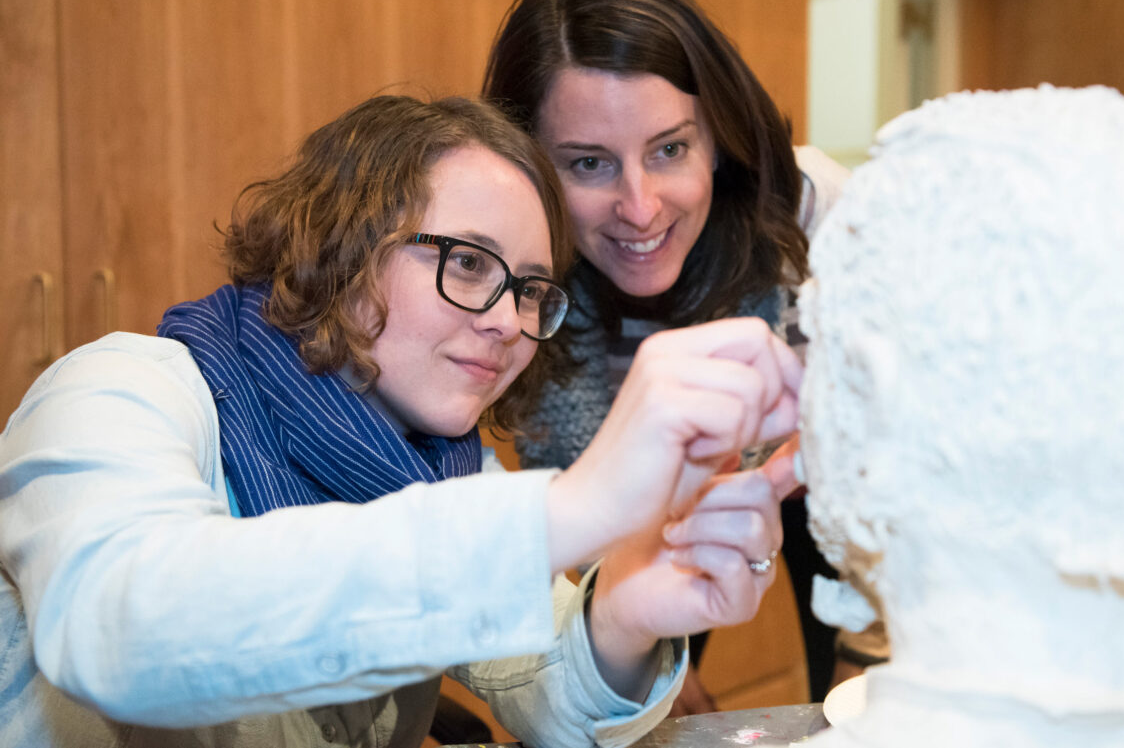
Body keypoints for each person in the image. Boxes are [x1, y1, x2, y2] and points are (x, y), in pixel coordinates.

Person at [0, 94, 802, 748]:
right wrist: (579, 506)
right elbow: (122, 628)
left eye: (530, 288)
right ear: (340, 246)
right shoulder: (119, 391)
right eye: (467, 262)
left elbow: (547, 689)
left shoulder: (439, 458)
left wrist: (628, 604)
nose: (508, 322)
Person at [483, 0, 851, 710]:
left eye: (669, 149)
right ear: (528, 167)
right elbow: (560, 526)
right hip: (652, 510)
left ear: (717, 138)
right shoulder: (509, 289)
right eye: (590, 163)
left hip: (828, 478)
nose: (640, 207)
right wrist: (640, 663)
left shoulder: (815, 215)